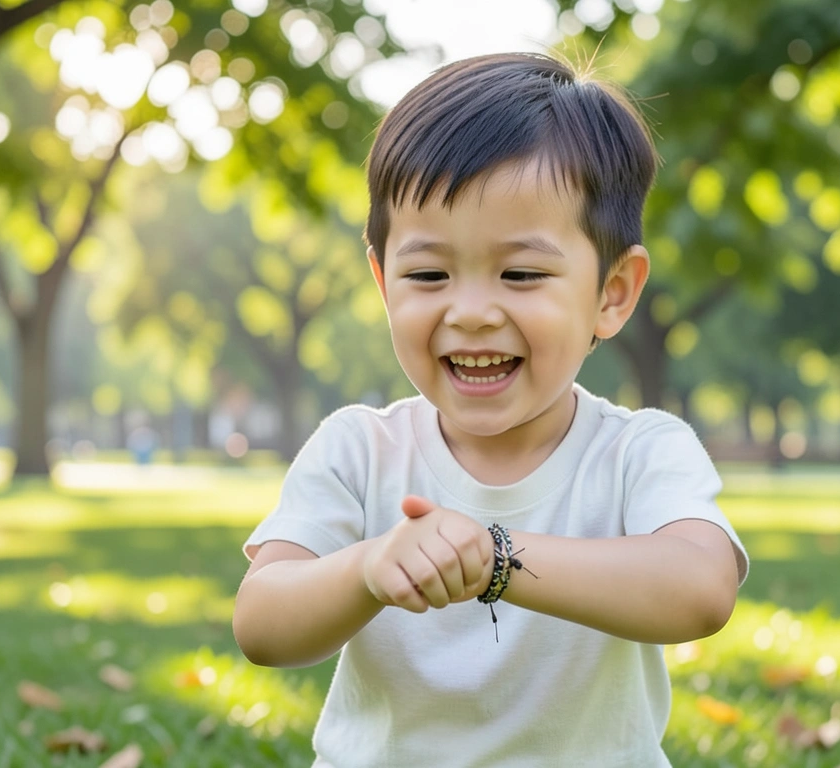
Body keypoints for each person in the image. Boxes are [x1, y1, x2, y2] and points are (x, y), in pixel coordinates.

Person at [232, 52, 750, 768]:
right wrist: (368, 568)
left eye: (521, 274)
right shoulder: (358, 450)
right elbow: (262, 621)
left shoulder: (639, 452)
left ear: (613, 291)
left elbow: (698, 588)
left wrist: (495, 560)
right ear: (384, 283)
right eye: (429, 274)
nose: (471, 312)